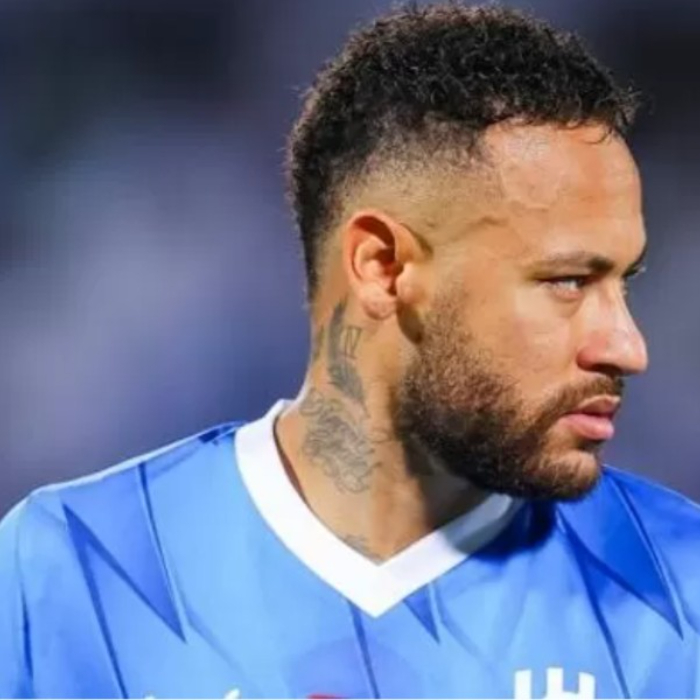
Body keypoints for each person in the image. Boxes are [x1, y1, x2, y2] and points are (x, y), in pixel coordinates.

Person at [1, 4, 699, 698]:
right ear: (383, 268)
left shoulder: (680, 587)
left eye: (624, 281)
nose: (627, 346)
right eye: (568, 281)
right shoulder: (71, 570)